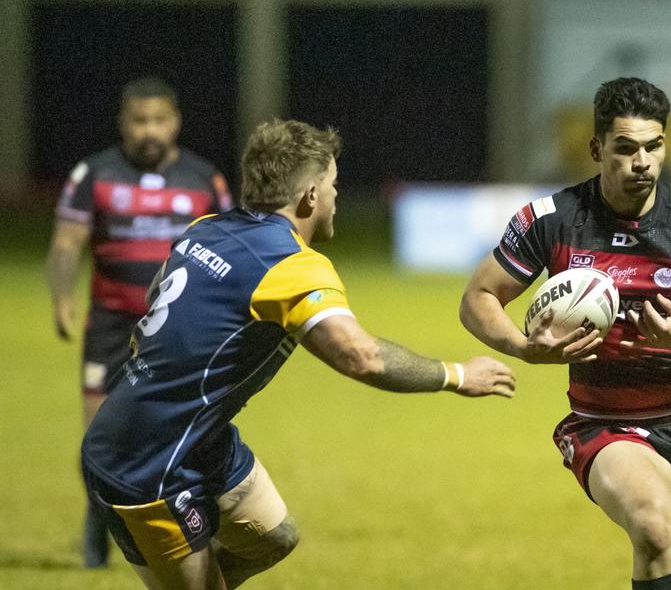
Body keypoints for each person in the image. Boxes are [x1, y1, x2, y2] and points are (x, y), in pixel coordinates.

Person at [81, 119, 516, 590]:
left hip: (196, 436)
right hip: (146, 460)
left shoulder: (206, 229)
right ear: (310, 195)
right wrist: (455, 374)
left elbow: (155, 293)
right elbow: (361, 356)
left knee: (272, 536)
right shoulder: (291, 264)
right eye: (332, 185)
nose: (336, 197)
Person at [460, 77, 671, 590]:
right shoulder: (553, 220)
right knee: (654, 530)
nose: (643, 163)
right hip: (605, 421)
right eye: (626, 148)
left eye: (654, 147)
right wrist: (525, 349)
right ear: (596, 148)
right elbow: (479, 298)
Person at [46, 77, 234, 567]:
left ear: (175, 123)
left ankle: (189, 537)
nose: (149, 130)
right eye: (139, 120)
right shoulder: (95, 173)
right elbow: (67, 242)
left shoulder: (203, 178)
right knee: (99, 442)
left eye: (158, 120)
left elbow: (232, 248)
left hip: (178, 333)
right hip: (110, 328)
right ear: (123, 124)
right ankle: (96, 534)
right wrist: (62, 299)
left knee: (185, 439)